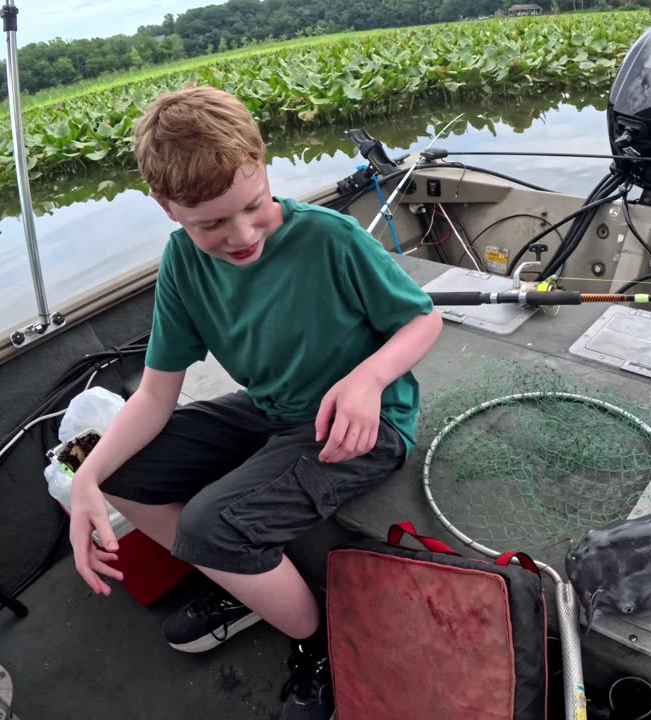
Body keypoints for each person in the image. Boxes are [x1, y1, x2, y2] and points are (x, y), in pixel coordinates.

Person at [65, 84, 443, 719]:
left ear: (264, 168)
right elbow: (157, 393)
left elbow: (422, 321)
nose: (241, 235)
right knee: (108, 465)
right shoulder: (184, 263)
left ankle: (318, 638)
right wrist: (88, 483)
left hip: (362, 427)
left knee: (211, 524)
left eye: (253, 205)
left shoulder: (331, 238)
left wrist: (368, 380)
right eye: (211, 222)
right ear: (168, 208)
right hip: (270, 411)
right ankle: (239, 580)